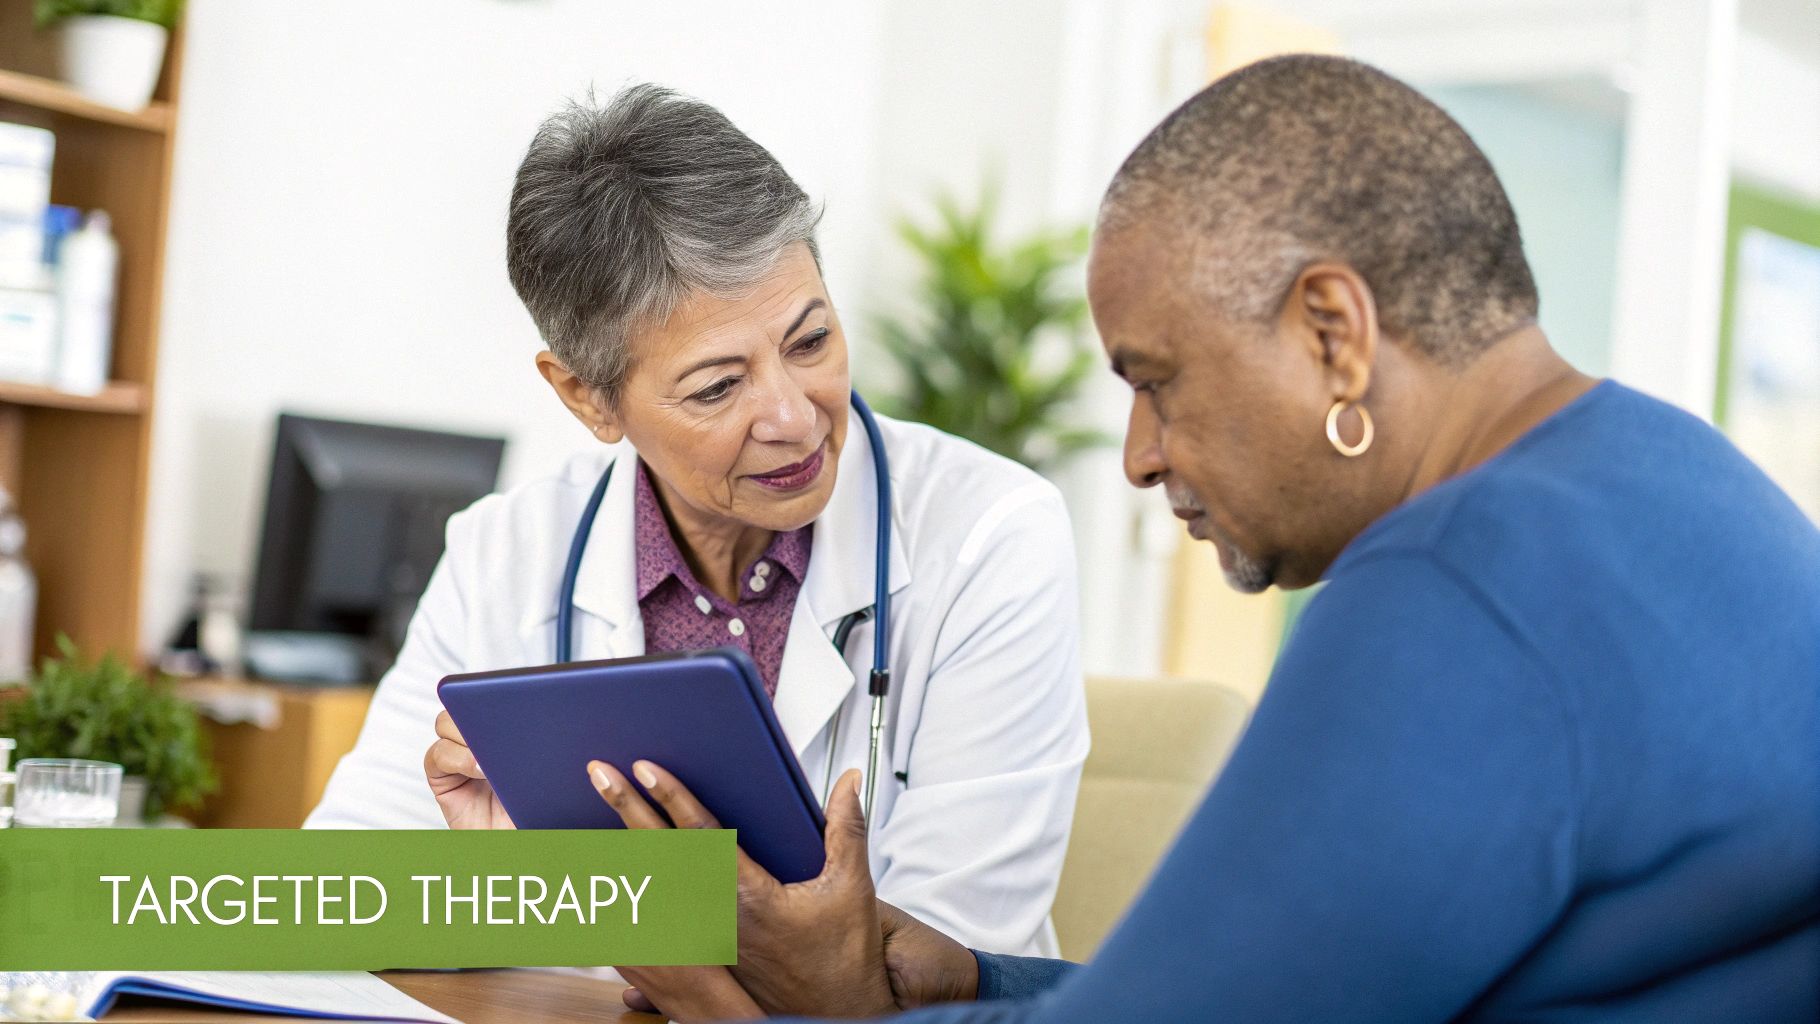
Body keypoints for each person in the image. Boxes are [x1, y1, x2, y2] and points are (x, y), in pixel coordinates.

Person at [595, 55, 1820, 1022]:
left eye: (1155, 379)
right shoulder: (1671, 476)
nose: (1137, 453)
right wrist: (968, 981)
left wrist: (799, 1005)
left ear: (1333, 333)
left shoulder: (1460, 591)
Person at [303, 84, 1090, 962]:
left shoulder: (990, 537)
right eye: (719, 387)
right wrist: (490, 890)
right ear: (586, 396)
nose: (794, 416)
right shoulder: (507, 553)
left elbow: (950, 964)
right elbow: (342, 895)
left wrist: (585, 910)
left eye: (811, 341)